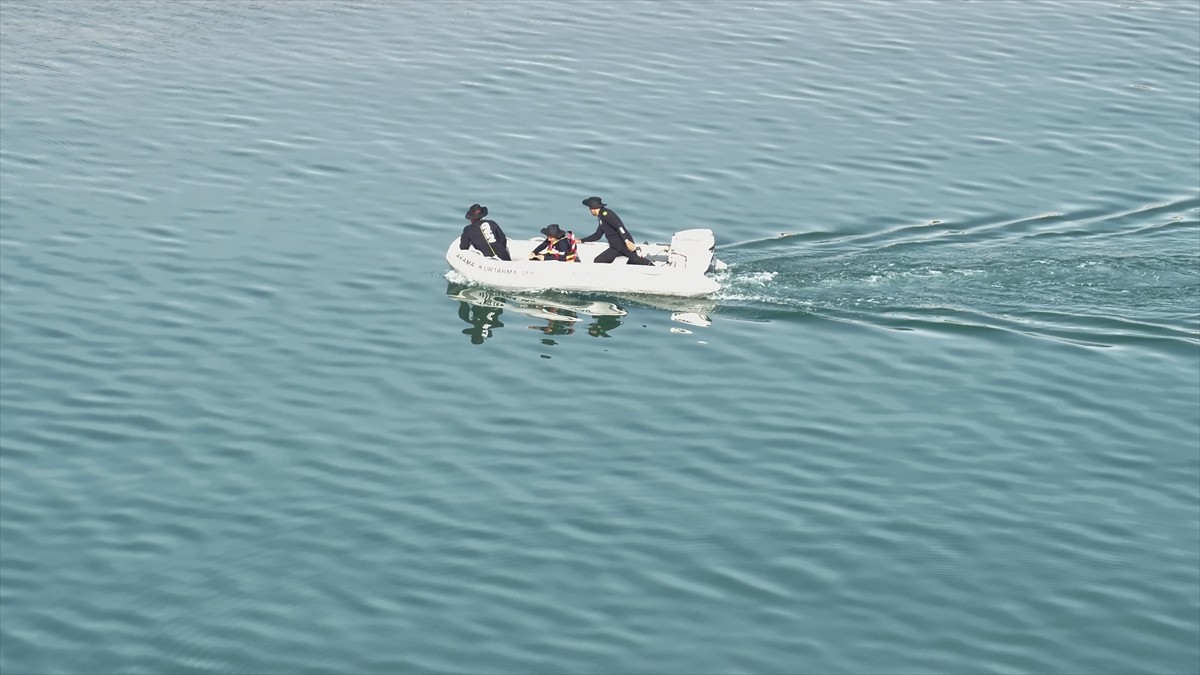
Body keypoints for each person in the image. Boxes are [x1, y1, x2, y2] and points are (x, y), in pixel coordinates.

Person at [579, 196, 654, 265]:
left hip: (624, 245)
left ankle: (654, 268)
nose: (590, 211)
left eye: (590, 208)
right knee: (599, 260)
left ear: (593, 208)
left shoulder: (606, 214)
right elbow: (597, 235)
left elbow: (619, 226)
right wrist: (581, 240)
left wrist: (626, 241)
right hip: (615, 247)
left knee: (635, 260)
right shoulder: (601, 217)